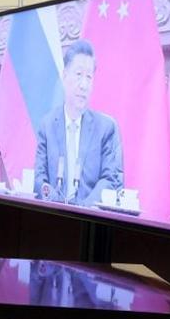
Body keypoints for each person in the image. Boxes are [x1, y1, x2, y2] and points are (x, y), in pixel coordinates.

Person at [33, 39, 124, 207]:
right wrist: (59, 206)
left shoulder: (105, 128)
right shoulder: (47, 125)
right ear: (65, 75)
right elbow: (39, 178)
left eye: (89, 77)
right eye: (78, 74)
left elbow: (109, 179)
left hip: (91, 220)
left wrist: (82, 210)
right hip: (54, 216)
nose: (84, 85)